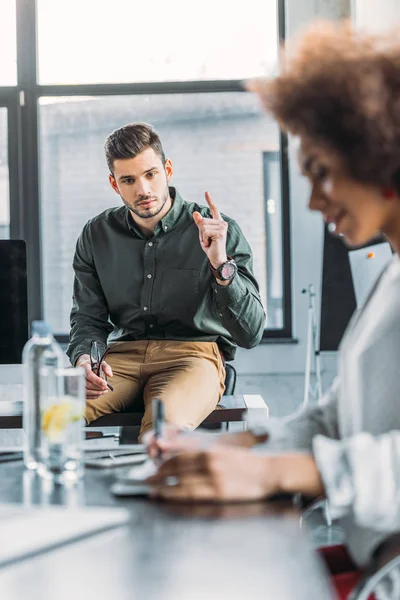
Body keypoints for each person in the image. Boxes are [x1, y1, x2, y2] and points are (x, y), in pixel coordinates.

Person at [146, 21, 400, 572]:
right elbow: (343, 418)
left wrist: (278, 472)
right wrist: (242, 446)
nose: (311, 201)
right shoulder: (391, 278)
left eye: (322, 173)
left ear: (384, 158)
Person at [67, 122, 265, 438]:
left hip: (193, 357)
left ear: (167, 169)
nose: (143, 190)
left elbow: (251, 333)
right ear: (114, 184)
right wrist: (85, 359)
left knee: (161, 433)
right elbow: (88, 316)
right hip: (120, 360)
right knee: (52, 416)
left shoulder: (218, 230)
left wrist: (220, 265)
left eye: (151, 174)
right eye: (128, 180)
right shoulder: (96, 234)